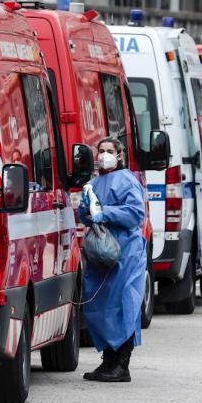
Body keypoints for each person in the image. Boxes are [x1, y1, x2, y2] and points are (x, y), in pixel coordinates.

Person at [77, 137, 146, 383]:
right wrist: (86, 211)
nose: (104, 155)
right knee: (101, 306)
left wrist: (105, 213)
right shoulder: (94, 183)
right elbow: (86, 216)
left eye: (110, 151)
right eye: (101, 151)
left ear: (120, 155)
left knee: (124, 304)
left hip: (125, 250)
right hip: (100, 252)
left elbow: (136, 213)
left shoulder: (128, 180)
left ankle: (122, 364)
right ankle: (108, 361)